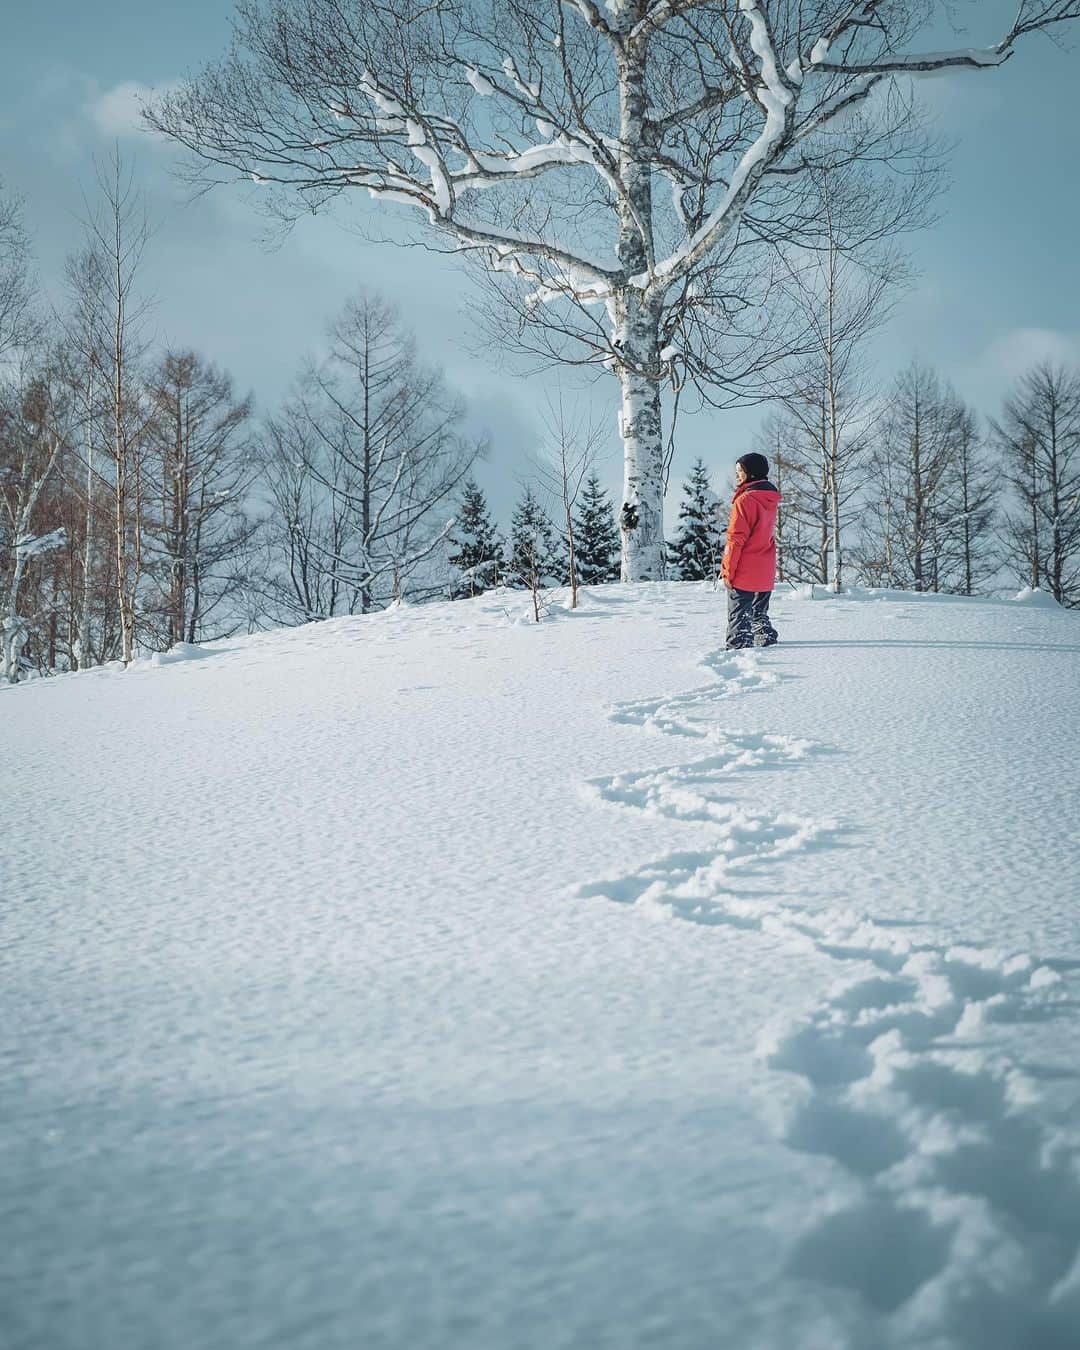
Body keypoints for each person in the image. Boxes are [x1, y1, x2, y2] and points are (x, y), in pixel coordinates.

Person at [720, 452, 781, 650]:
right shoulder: (770, 497)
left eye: (740, 472)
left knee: (739, 617)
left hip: (744, 568)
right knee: (759, 613)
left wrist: (728, 571)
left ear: (752, 474)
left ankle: (738, 648)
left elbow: (735, 540)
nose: (737, 476)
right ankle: (765, 639)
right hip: (765, 567)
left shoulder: (745, 500)